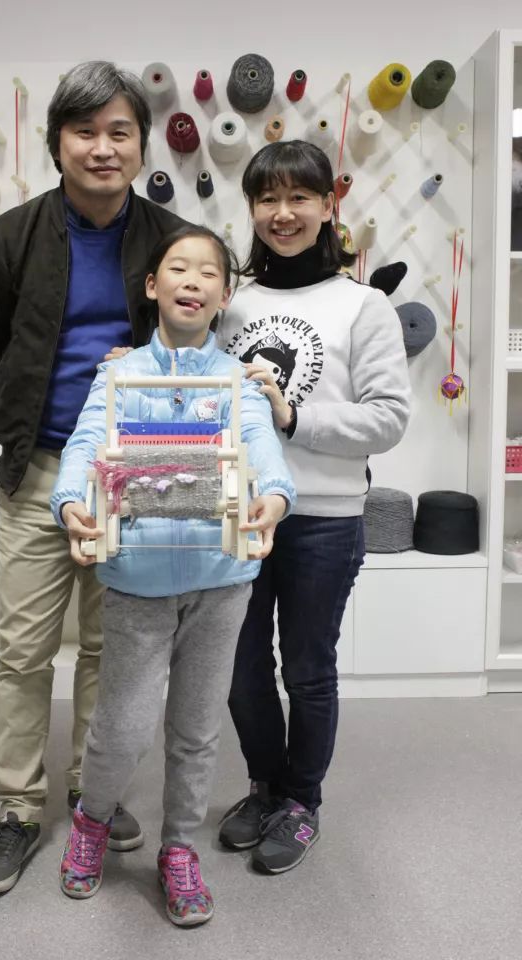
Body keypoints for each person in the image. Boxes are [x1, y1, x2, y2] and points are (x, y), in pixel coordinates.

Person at [0, 61, 188, 896]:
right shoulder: (8, 237)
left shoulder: (172, 240)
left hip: (135, 474)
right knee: (23, 649)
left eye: (120, 131)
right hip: (39, 467)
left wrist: (148, 370)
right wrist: (24, 407)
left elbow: (202, 337)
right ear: (58, 144)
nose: (103, 147)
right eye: (85, 131)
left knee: (108, 648)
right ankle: (17, 808)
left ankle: (93, 793)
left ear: (141, 145)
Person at [50, 225, 295, 926]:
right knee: (122, 728)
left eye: (208, 272)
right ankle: (93, 820)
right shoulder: (118, 374)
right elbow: (85, 444)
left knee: (195, 729)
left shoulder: (238, 380)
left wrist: (276, 497)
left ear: (224, 295)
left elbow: (262, 448)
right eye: (178, 268)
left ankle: (179, 848)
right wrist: (69, 503)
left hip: (221, 582)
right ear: (153, 286)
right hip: (138, 582)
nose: (193, 280)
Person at [215, 140, 411, 875]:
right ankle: (265, 787)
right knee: (240, 669)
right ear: (252, 208)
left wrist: (293, 419)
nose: (283, 213)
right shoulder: (234, 303)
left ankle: (302, 801)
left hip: (324, 518)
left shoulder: (363, 305)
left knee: (306, 667)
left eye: (299, 197)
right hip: (240, 513)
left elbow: (389, 417)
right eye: (267, 198)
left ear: (329, 205)